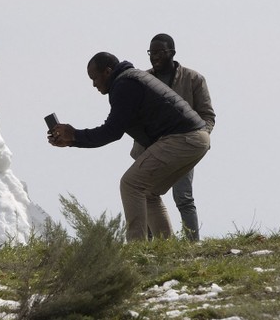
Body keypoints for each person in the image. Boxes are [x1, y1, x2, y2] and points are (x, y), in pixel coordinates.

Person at [47, 52, 210, 241]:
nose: (94, 84)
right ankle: (167, 248)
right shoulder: (131, 79)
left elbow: (112, 131)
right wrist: (73, 140)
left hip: (183, 138)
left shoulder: (124, 85)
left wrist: (74, 135)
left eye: (95, 78)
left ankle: (137, 248)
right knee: (148, 192)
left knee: (130, 184)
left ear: (108, 72)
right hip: (197, 139)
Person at [146, 33, 215, 241]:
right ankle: (147, 246)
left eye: (159, 52)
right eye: (151, 52)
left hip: (183, 147)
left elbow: (207, 115)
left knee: (183, 198)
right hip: (152, 148)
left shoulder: (194, 79)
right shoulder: (144, 79)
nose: (154, 57)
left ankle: (192, 245)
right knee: (144, 195)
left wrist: (200, 138)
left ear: (172, 53)